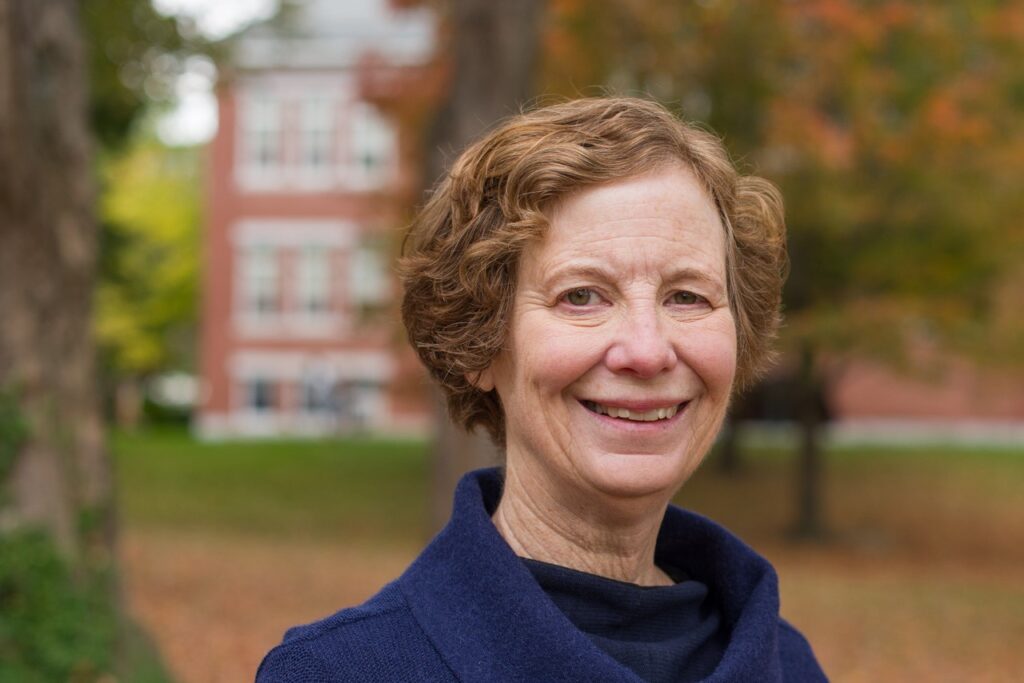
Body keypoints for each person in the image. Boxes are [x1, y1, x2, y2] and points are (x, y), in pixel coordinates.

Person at [257, 97, 827, 682]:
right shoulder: (340, 672)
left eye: (687, 296)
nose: (648, 350)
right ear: (480, 344)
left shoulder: (793, 667)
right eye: (581, 295)